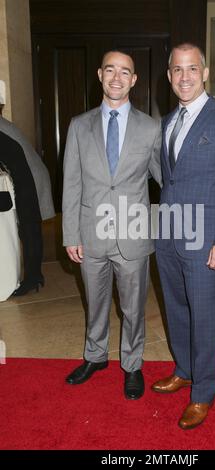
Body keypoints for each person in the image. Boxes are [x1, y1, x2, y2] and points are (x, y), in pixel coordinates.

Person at [151, 43, 215, 429]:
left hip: (208, 240)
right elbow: (169, 180)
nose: (185, 76)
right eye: (177, 69)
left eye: (192, 68)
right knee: (176, 309)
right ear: (170, 76)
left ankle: (204, 391)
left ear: (205, 73)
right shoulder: (167, 122)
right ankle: (185, 369)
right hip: (171, 237)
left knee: (206, 316)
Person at [63, 50, 162, 399]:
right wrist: (71, 234)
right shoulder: (78, 125)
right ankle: (96, 356)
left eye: (125, 72)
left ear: (134, 80)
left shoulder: (151, 128)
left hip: (133, 234)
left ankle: (132, 364)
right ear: (100, 75)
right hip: (90, 233)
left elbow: (167, 180)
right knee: (96, 301)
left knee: (134, 307)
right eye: (110, 70)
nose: (117, 78)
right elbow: (71, 183)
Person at [0, 118, 55, 296]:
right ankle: (35, 276)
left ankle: (33, 278)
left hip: (29, 176)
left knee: (30, 229)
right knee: (29, 229)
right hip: (28, 173)